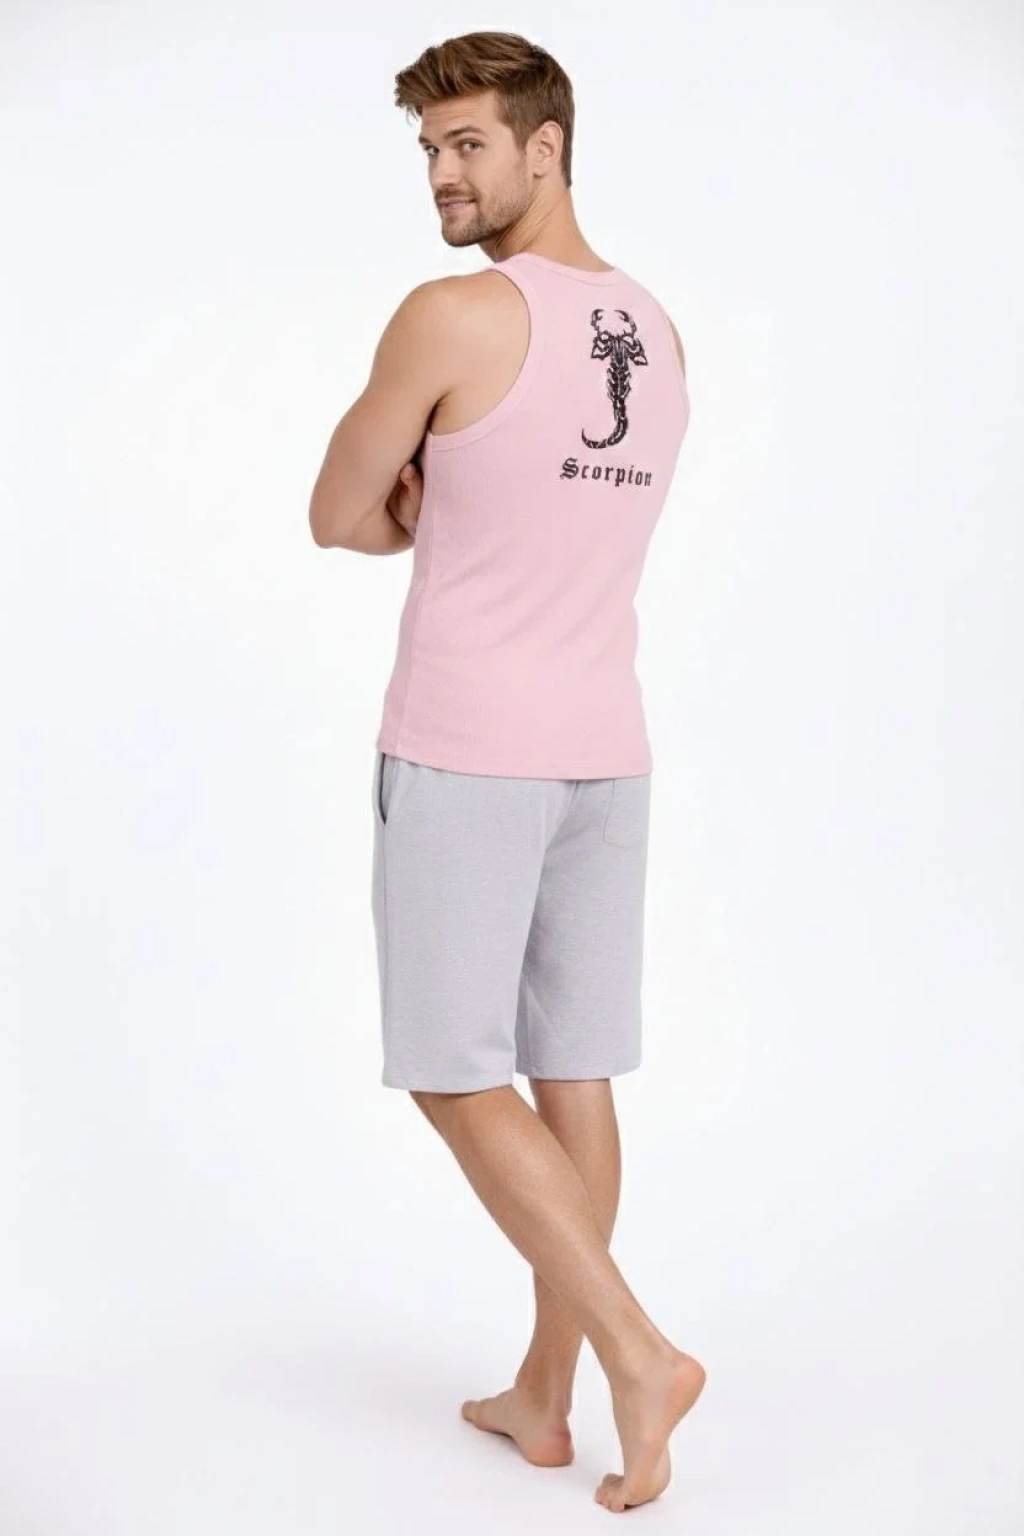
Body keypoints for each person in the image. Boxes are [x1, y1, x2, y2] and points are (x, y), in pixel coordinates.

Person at [308, 30, 704, 1514]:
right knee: (571, 1068)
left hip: (471, 751)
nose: (443, 175)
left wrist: (415, 502)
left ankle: (637, 1354)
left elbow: (336, 513)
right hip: (607, 752)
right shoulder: (659, 331)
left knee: (454, 1070)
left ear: (549, 146)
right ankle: (546, 1394)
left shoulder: (454, 316)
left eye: (468, 143)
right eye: (429, 149)